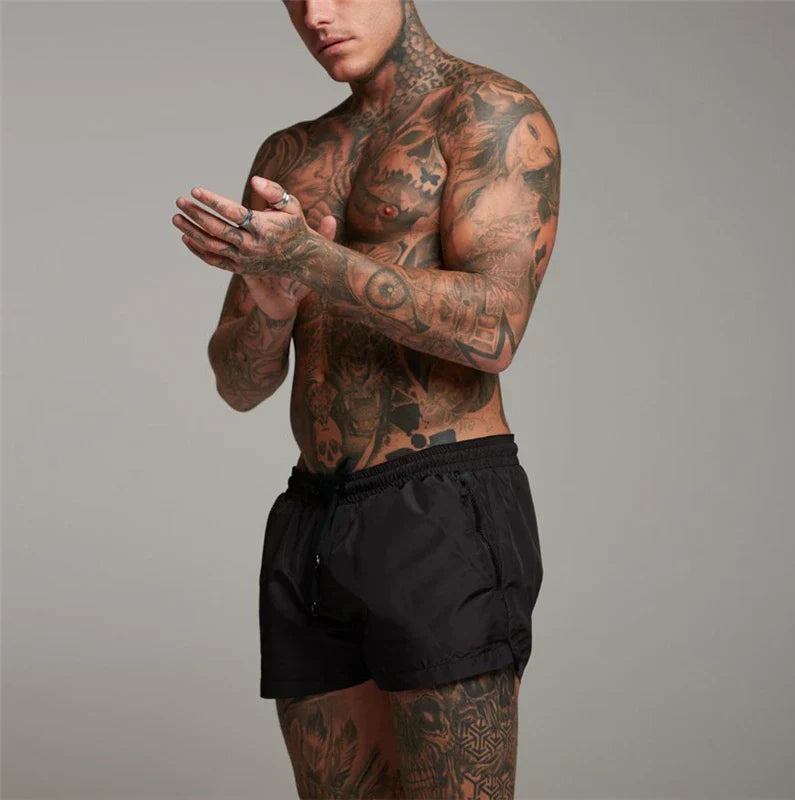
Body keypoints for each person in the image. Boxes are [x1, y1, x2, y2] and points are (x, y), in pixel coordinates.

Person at [172, 0, 559, 795]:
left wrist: (313, 262)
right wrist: (272, 307)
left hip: (439, 505)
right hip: (312, 515)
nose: (317, 14)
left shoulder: (487, 112)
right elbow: (239, 385)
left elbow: (496, 328)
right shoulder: (290, 153)